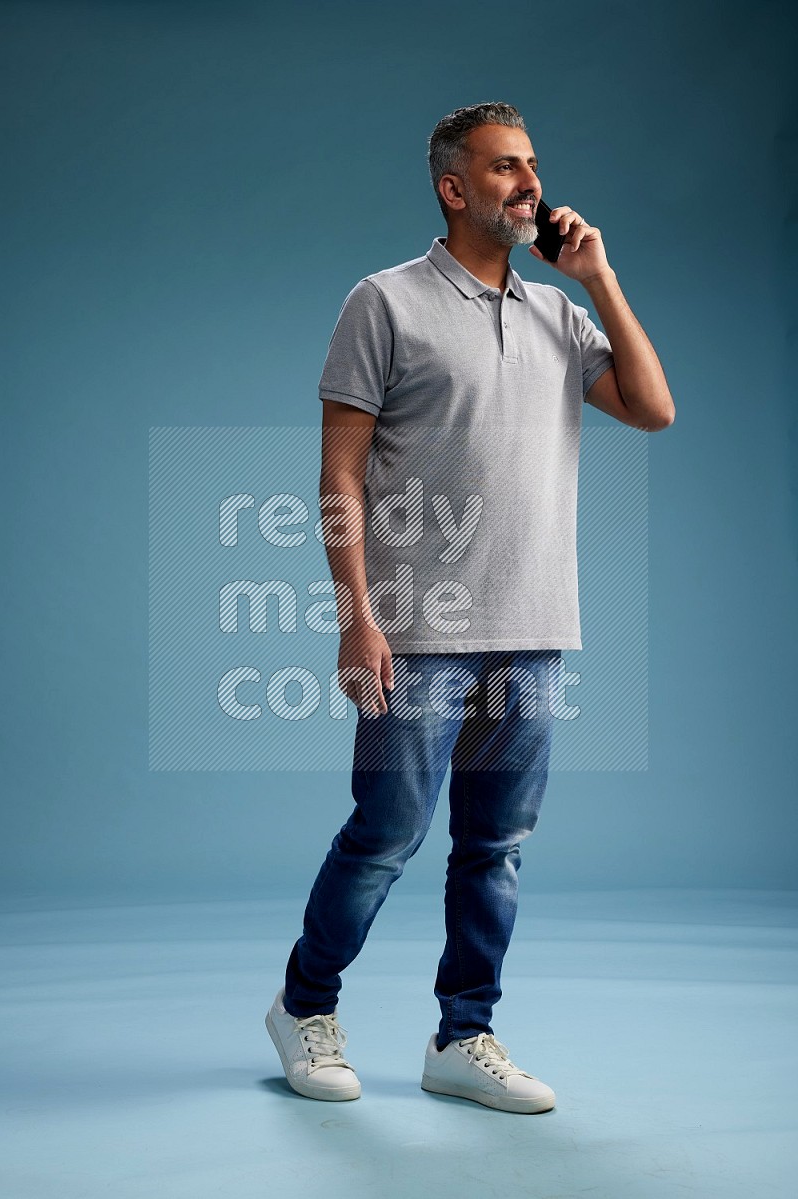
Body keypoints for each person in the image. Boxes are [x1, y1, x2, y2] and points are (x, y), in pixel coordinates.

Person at [265, 101, 675, 1114]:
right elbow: (339, 474)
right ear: (453, 188)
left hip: (532, 629)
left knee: (494, 846)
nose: (526, 183)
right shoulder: (384, 302)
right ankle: (303, 1003)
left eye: (531, 164)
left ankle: (464, 1033)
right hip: (415, 626)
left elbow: (652, 406)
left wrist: (597, 278)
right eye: (503, 169)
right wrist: (355, 614)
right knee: (387, 835)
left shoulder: (557, 313)